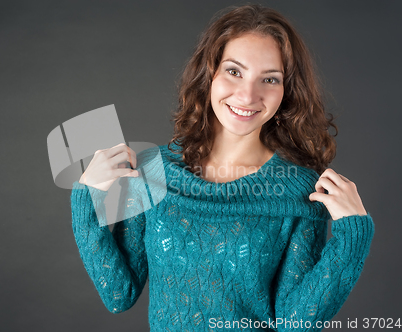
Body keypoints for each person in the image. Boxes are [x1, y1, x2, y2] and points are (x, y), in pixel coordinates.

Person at [70, 4, 374, 331]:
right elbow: (119, 294)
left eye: (269, 79)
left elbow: (294, 323)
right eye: (234, 71)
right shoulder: (152, 170)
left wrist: (353, 233)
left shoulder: (300, 191)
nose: (247, 94)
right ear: (209, 73)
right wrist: (87, 197)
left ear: (286, 92)